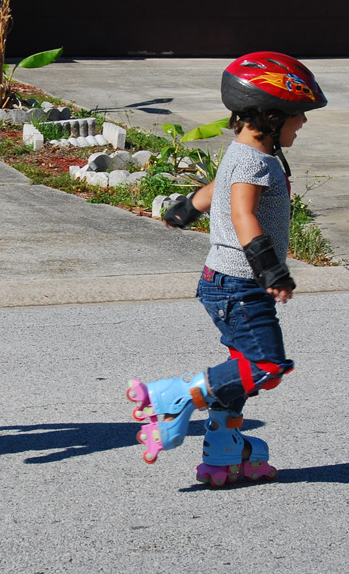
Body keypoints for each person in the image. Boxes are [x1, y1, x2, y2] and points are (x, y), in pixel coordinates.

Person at [127, 51, 327, 486]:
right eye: (297, 115)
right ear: (271, 117)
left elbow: (220, 189)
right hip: (240, 283)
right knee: (267, 365)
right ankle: (176, 395)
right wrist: (271, 269)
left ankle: (223, 452)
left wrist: (188, 207)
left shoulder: (244, 154)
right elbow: (242, 215)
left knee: (241, 367)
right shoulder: (255, 161)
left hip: (225, 282)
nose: (303, 123)